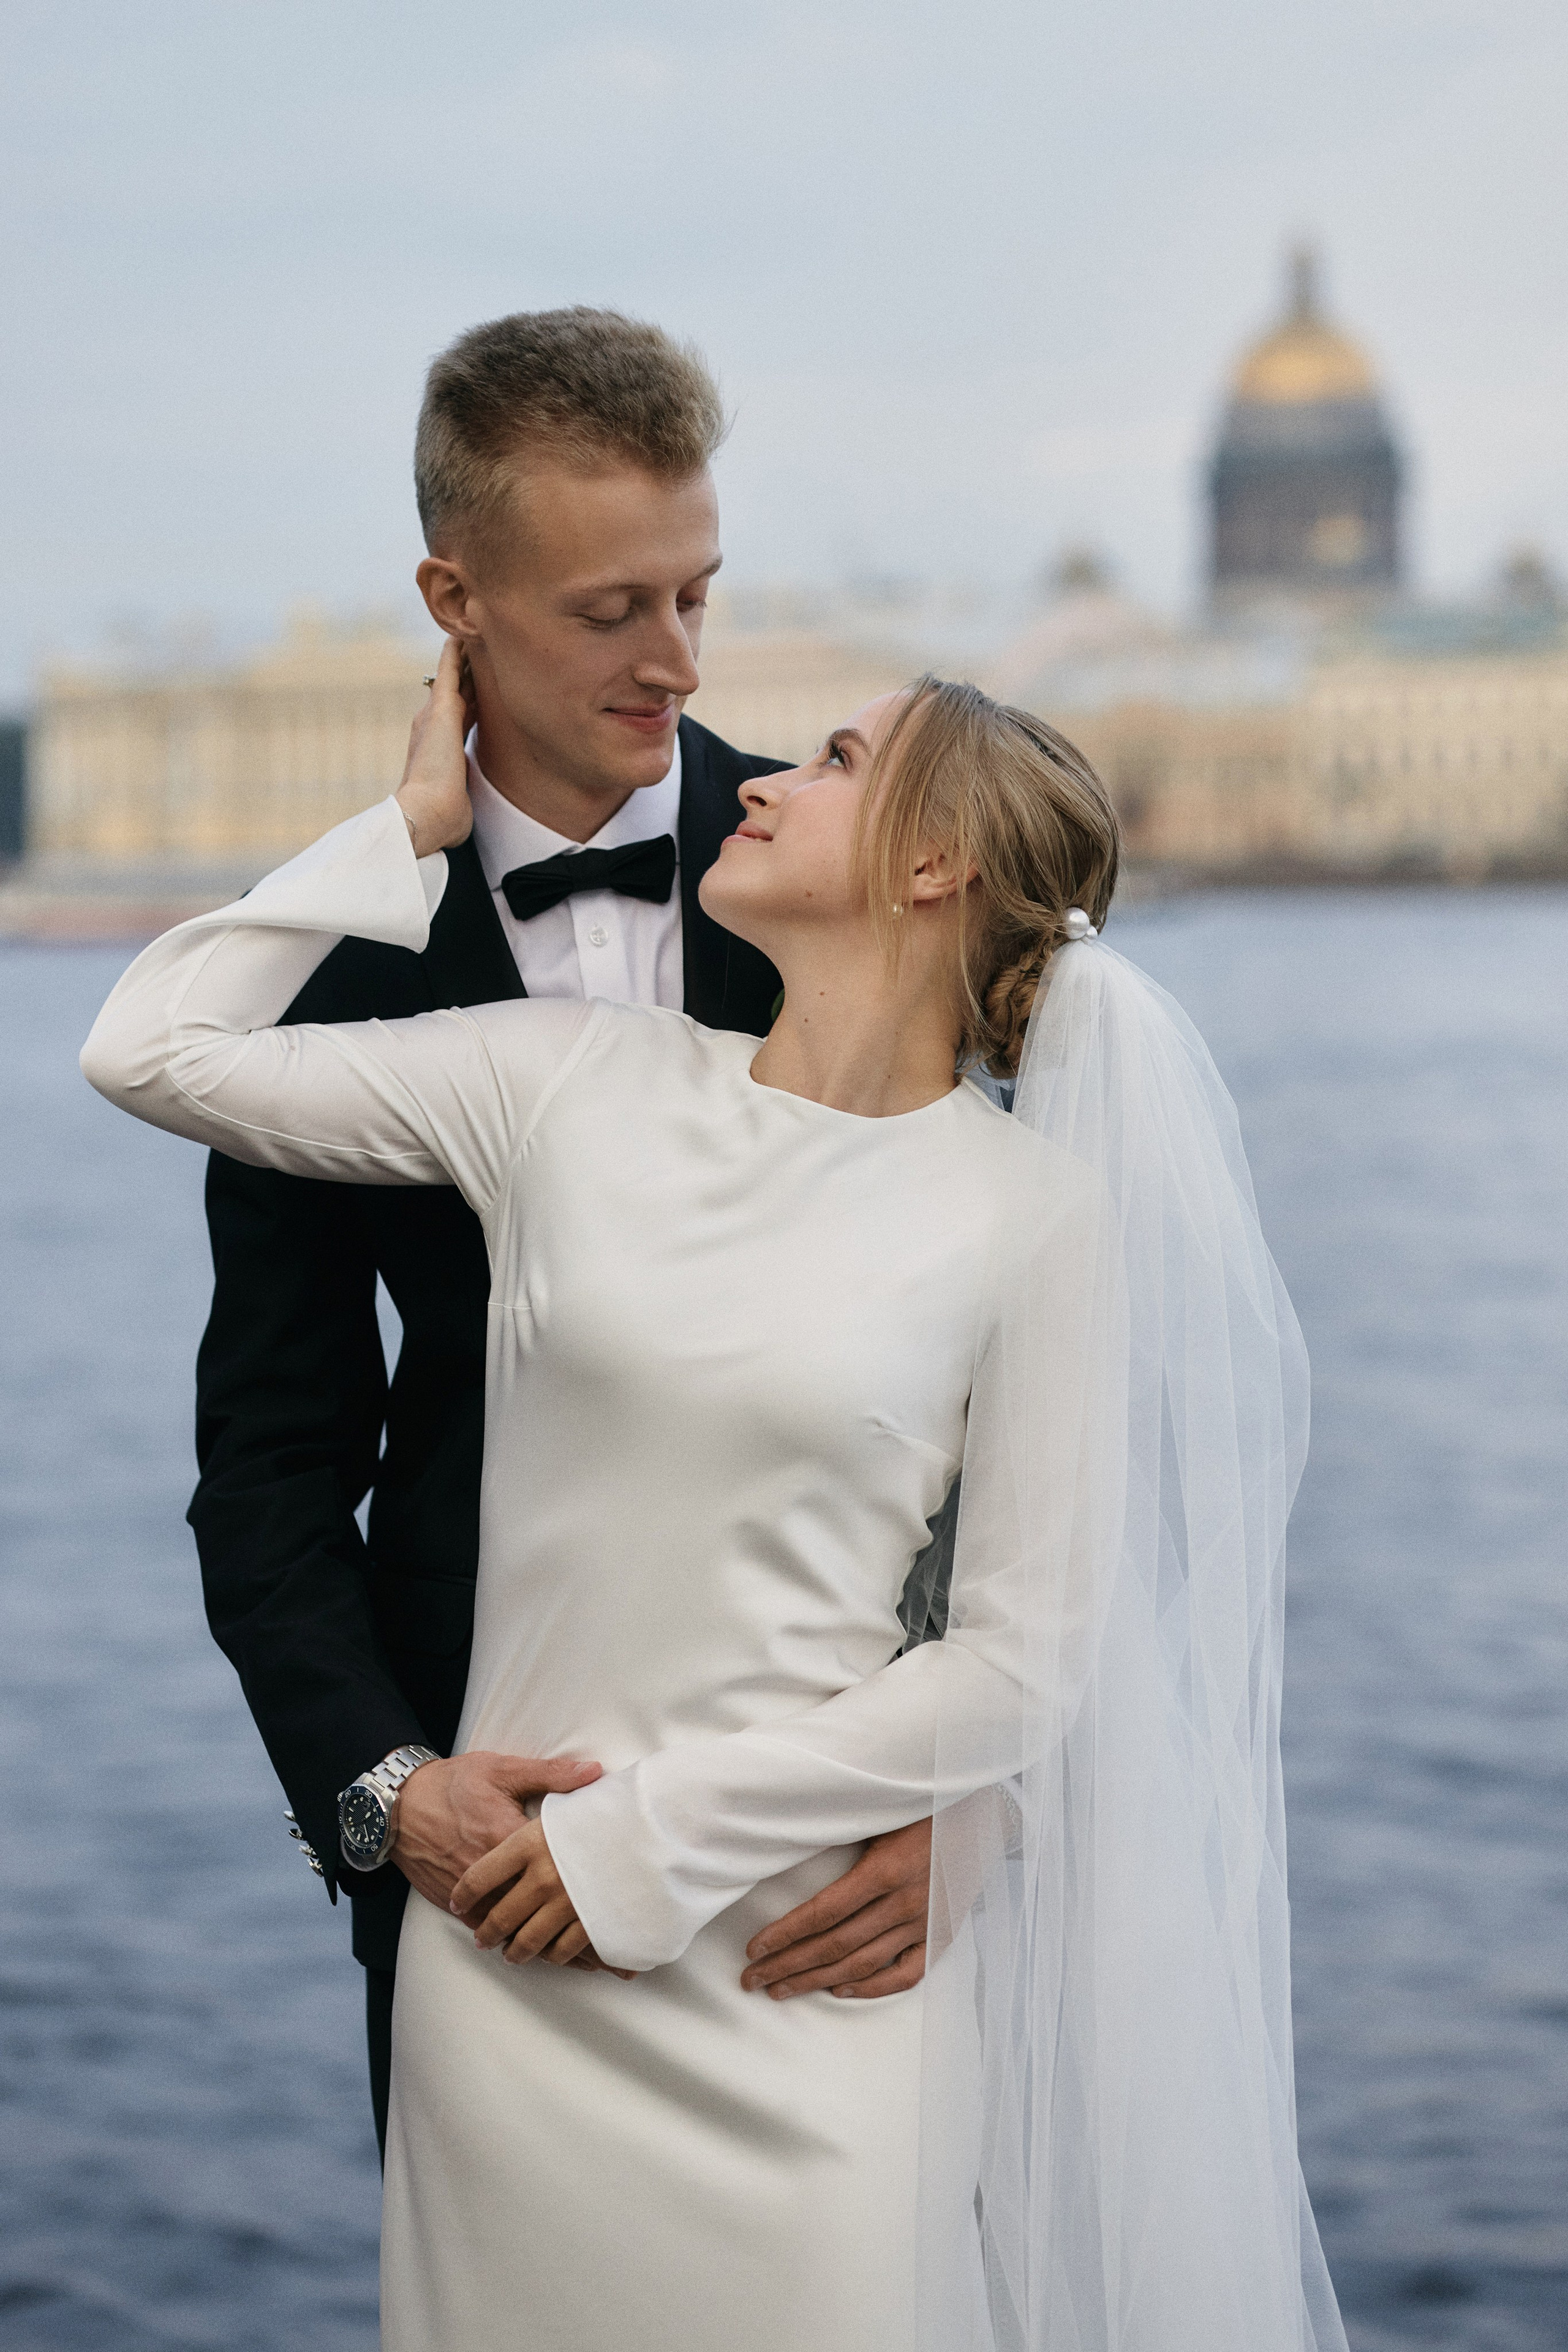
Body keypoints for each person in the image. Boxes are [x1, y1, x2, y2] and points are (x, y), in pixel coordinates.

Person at [84, 644, 1348, 2351]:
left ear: (932, 865)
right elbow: (155, 1049)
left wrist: (646, 1839)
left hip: (800, 1973)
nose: (753, 775)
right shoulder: (567, 1075)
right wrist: (403, 829)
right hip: (507, 1990)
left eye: (831, 758)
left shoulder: (1038, 1218)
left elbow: (1020, 1661)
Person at [186, 308, 935, 2160]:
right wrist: (388, 1797)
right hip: (487, 1862)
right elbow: (272, 1465)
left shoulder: (855, 872)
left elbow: (995, 1399)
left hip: (837, 1855)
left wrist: (957, 1808)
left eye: (698, 595)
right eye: (612, 611)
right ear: (455, 596)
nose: (673, 661)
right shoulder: (330, 970)